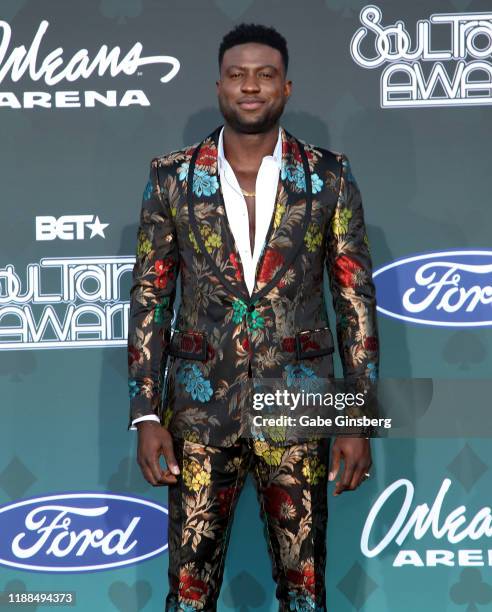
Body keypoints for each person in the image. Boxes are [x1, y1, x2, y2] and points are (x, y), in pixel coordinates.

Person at [127, 22, 379, 612]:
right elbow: (150, 297)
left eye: (264, 75)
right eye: (238, 75)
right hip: (196, 408)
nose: (250, 86)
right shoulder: (171, 177)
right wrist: (144, 413)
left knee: (306, 591)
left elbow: (354, 302)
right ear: (219, 86)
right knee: (187, 596)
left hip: (303, 404)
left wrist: (358, 418)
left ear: (286, 88)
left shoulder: (328, 176)